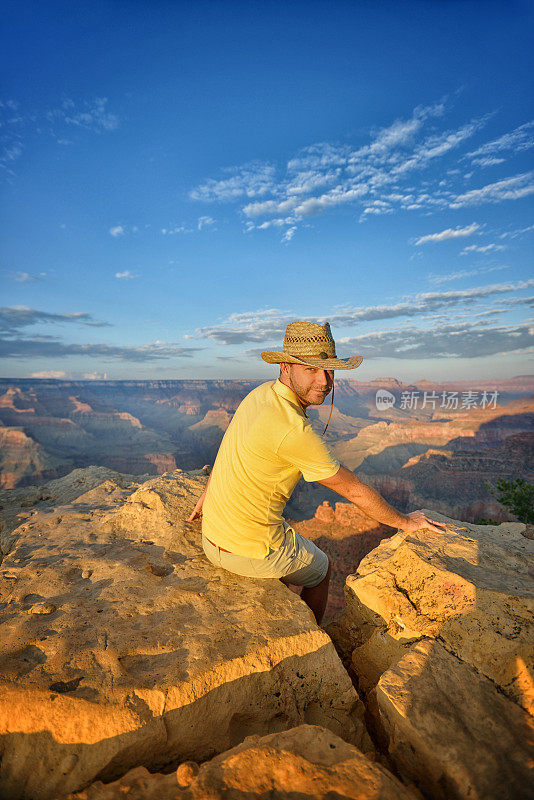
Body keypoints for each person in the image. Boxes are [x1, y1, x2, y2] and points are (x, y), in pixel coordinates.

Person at [188, 320, 446, 624]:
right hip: (246, 551)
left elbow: (229, 443)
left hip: (213, 535)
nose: (324, 381)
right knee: (322, 568)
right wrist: (405, 522)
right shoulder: (294, 430)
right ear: (285, 367)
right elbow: (353, 489)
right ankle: (312, 634)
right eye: (310, 369)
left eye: (329, 370)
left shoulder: (260, 394)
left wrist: (211, 492)